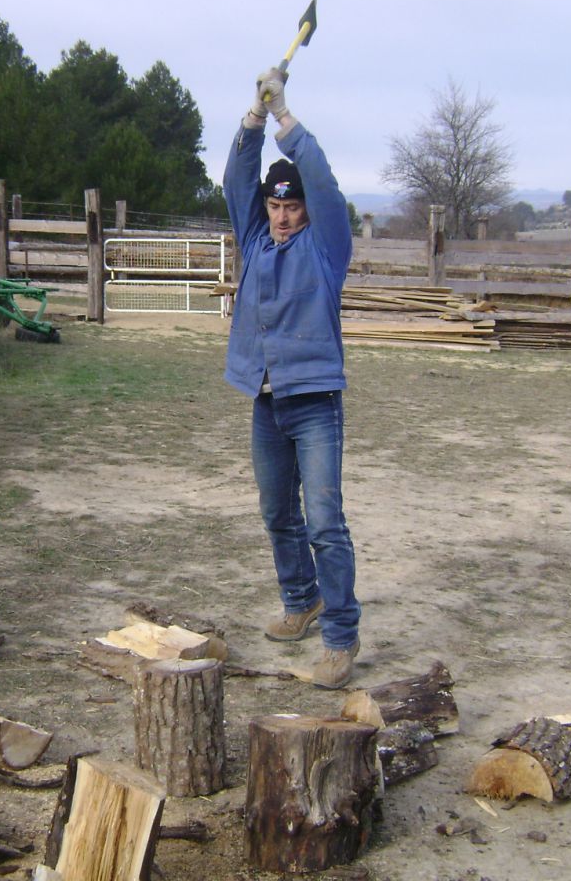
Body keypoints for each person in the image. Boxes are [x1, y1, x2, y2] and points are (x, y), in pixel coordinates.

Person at [222, 65, 361, 689]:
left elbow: (324, 181)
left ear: (307, 210)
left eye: (292, 206)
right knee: (278, 512)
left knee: (325, 522)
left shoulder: (326, 247)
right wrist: (252, 119)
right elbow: (235, 179)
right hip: (265, 400)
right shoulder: (254, 241)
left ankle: (340, 636)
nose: (281, 216)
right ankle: (301, 600)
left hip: (315, 403)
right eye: (275, 206)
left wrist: (284, 118)